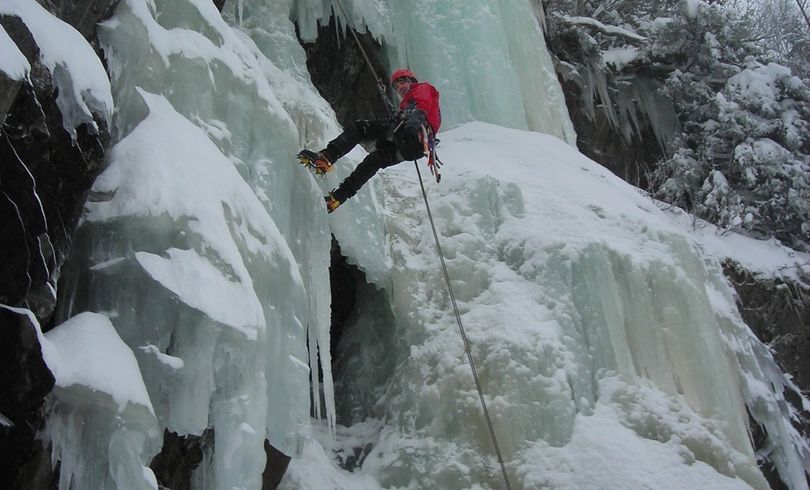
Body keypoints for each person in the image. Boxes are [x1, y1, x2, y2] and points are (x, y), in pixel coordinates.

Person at [298, 68, 441, 213]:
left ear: (412, 81)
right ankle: (337, 198)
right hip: (414, 148)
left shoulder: (422, 88)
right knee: (374, 161)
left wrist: (413, 124)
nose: (400, 87)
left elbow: (423, 104)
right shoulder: (405, 104)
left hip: (411, 133)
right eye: (396, 86)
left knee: (360, 129)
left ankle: (327, 157)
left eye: (402, 82)